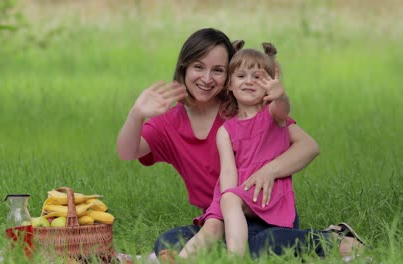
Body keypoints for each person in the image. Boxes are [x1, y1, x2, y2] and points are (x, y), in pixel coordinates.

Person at [116, 28, 365, 261]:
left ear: (228, 76)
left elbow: (308, 146)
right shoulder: (169, 123)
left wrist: (269, 171)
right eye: (198, 67)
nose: (206, 78)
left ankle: (335, 238)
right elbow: (127, 152)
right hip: (220, 219)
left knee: (263, 244)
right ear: (184, 68)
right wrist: (137, 113)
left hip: (265, 214)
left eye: (218, 70)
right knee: (166, 243)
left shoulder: (242, 108)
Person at [179, 42, 300, 258]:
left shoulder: (272, 116)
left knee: (231, 203)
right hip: (236, 193)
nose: (249, 82)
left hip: (265, 189)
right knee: (212, 226)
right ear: (229, 85)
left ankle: (236, 257)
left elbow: (282, 109)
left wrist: (280, 95)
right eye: (241, 76)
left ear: (268, 84)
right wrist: (224, 202)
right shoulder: (226, 130)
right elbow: (227, 171)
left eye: (257, 77)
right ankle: (180, 260)